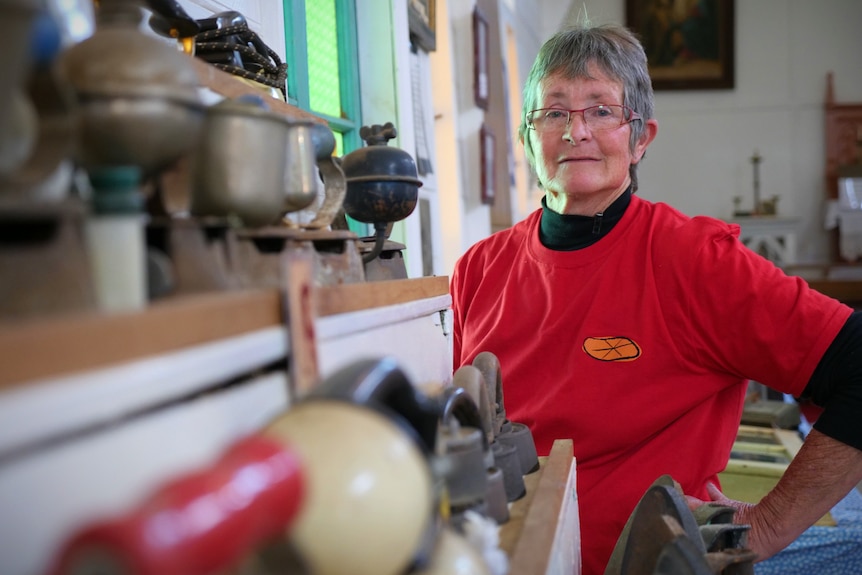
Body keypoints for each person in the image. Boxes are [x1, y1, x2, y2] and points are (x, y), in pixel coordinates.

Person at [449, 23, 862, 575]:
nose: (575, 132)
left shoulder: (694, 261)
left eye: (601, 110)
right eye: (553, 112)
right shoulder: (477, 270)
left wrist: (765, 526)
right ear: (528, 138)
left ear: (641, 137)